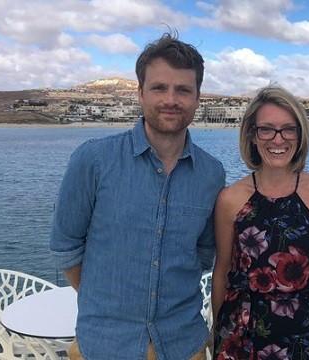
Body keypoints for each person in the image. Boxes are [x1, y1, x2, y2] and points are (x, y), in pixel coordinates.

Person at [49, 32, 225, 360]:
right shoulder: (93, 160)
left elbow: (202, 254)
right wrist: (107, 299)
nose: (170, 99)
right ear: (141, 93)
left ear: (198, 98)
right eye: (159, 87)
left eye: (183, 90)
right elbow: (66, 246)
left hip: (184, 345)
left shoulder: (211, 174)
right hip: (104, 345)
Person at [211, 85, 309, 359]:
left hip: (302, 333)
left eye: (288, 129)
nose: (278, 139)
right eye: (267, 129)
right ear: (252, 134)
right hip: (240, 335)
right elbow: (222, 271)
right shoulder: (230, 199)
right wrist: (217, 334)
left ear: (300, 133)